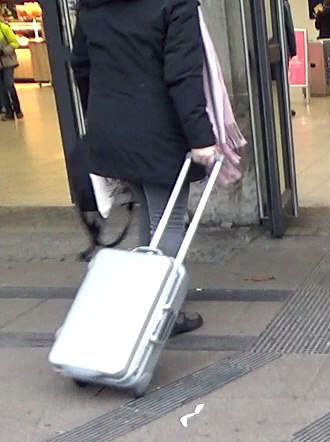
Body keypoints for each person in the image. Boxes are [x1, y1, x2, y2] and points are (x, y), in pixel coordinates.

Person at [71, 0, 219, 335]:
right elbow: (182, 73)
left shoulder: (92, 5)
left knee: (153, 216)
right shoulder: (175, 4)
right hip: (159, 131)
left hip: (112, 128)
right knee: (169, 220)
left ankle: (146, 301)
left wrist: (101, 111)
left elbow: (81, 66)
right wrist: (201, 137)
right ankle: (159, 312)